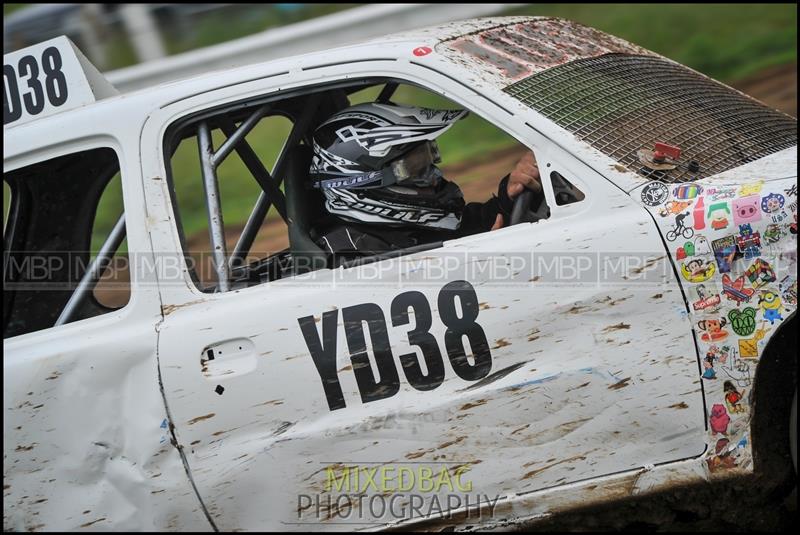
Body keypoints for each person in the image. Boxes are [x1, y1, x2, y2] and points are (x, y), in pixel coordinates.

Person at [308, 102, 543, 265]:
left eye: (429, 159)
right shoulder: (349, 259)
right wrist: (479, 263)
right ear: (363, 184)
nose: (434, 176)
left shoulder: (409, 229)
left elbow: (469, 227)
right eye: (413, 170)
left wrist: (509, 195)